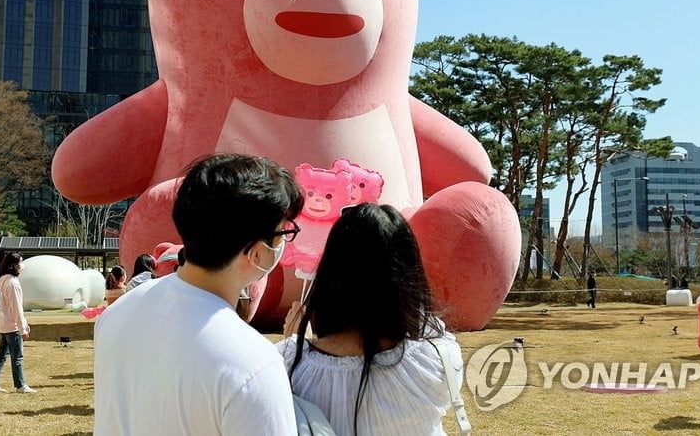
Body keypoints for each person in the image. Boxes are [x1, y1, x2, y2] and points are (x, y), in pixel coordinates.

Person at [94, 153, 304, 435]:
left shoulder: (119, 313)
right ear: (257, 251)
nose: (284, 242)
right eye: (283, 233)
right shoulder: (253, 363)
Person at [278, 203, 463, 436]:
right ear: (409, 275)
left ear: (329, 274)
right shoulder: (437, 360)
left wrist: (295, 342)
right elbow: (426, 324)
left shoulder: (286, 364)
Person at [0, 251, 36, 394]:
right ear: (14, 265)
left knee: (2, 355)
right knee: (17, 356)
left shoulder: (5, 281)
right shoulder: (13, 283)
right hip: (11, 325)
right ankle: (20, 385)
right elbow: (17, 308)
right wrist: (22, 328)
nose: (22, 265)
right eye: (20, 262)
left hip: (4, 324)